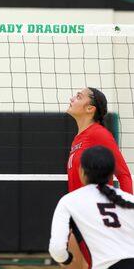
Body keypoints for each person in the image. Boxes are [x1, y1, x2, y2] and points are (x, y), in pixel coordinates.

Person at [65, 87, 133, 269]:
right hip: (79, 215)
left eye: (78, 96)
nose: (72, 98)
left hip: (95, 218)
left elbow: (124, 174)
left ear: (90, 108)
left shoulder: (98, 133)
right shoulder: (78, 139)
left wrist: (126, 211)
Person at [49, 146, 134, 269]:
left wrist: (67, 259)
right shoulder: (129, 199)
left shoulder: (69, 201)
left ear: (82, 171)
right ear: (111, 173)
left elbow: (57, 249)